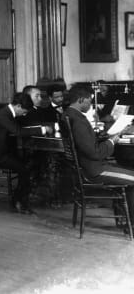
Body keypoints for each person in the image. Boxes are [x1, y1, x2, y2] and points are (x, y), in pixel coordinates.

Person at [61, 86, 134, 222]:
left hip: (86, 166)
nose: (90, 105)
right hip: (94, 170)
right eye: (89, 101)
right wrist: (111, 142)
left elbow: (84, 143)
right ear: (81, 100)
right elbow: (94, 153)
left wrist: (102, 136)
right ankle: (130, 223)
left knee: (128, 171)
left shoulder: (68, 115)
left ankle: (124, 220)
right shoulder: (79, 121)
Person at [0, 92, 49, 214]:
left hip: (7, 153)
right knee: (25, 169)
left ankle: (21, 198)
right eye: (24, 111)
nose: (25, 114)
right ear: (18, 106)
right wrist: (42, 129)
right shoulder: (4, 115)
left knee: (31, 164)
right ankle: (19, 202)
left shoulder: (8, 113)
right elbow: (18, 131)